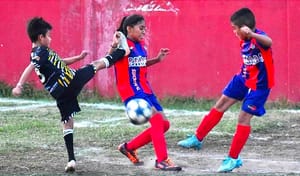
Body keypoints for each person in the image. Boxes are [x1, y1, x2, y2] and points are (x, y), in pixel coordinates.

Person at [12, 17, 128, 172]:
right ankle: (122, 51)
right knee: (95, 65)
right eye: (49, 36)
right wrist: (19, 85)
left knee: (67, 122)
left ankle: (71, 160)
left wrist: (78, 58)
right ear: (41, 37)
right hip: (71, 81)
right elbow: (31, 66)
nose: (50, 38)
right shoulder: (39, 54)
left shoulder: (40, 53)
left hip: (60, 94)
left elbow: (60, 62)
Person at [177, 7, 274, 173]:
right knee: (221, 103)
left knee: (243, 118)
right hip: (243, 77)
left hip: (259, 85)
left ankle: (233, 159)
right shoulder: (243, 40)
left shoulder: (258, 39)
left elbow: (269, 42)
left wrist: (252, 34)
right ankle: (197, 138)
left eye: (235, 28)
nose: (233, 31)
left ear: (245, 28)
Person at [108, 14, 182, 171]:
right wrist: (114, 45)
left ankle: (128, 147)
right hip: (131, 90)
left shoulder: (141, 45)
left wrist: (157, 59)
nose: (144, 31)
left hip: (145, 89)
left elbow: (140, 64)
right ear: (129, 28)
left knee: (164, 124)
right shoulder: (123, 44)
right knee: (156, 120)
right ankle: (162, 160)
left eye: (145, 28)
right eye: (141, 28)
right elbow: (109, 59)